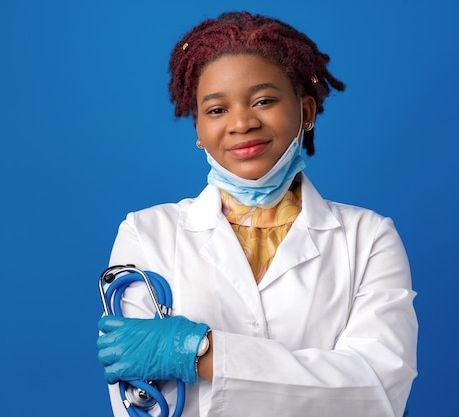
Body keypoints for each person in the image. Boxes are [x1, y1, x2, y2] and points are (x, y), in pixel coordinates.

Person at [96, 11, 417, 417]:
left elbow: (379, 391)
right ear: (197, 128)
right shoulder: (146, 234)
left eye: (264, 101)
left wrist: (198, 353)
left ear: (307, 111)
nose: (242, 123)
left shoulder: (369, 238)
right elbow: (140, 405)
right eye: (216, 110)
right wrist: (316, 380)